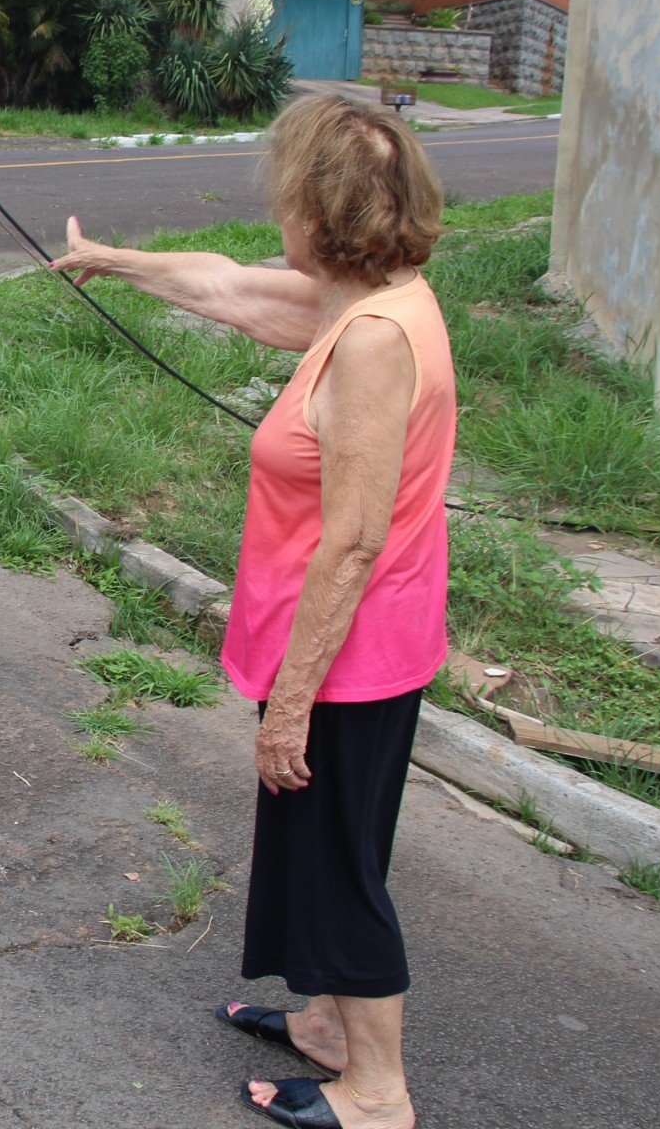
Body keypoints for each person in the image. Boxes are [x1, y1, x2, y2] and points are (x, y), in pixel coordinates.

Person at [53, 93, 453, 1129]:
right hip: (360, 648)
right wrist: (116, 262)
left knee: (338, 865)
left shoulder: (370, 341)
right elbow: (234, 289)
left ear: (321, 214)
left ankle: (378, 1092)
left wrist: (291, 706)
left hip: (349, 661)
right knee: (321, 844)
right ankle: (326, 1023)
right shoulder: (382, 296)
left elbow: (355, 539)